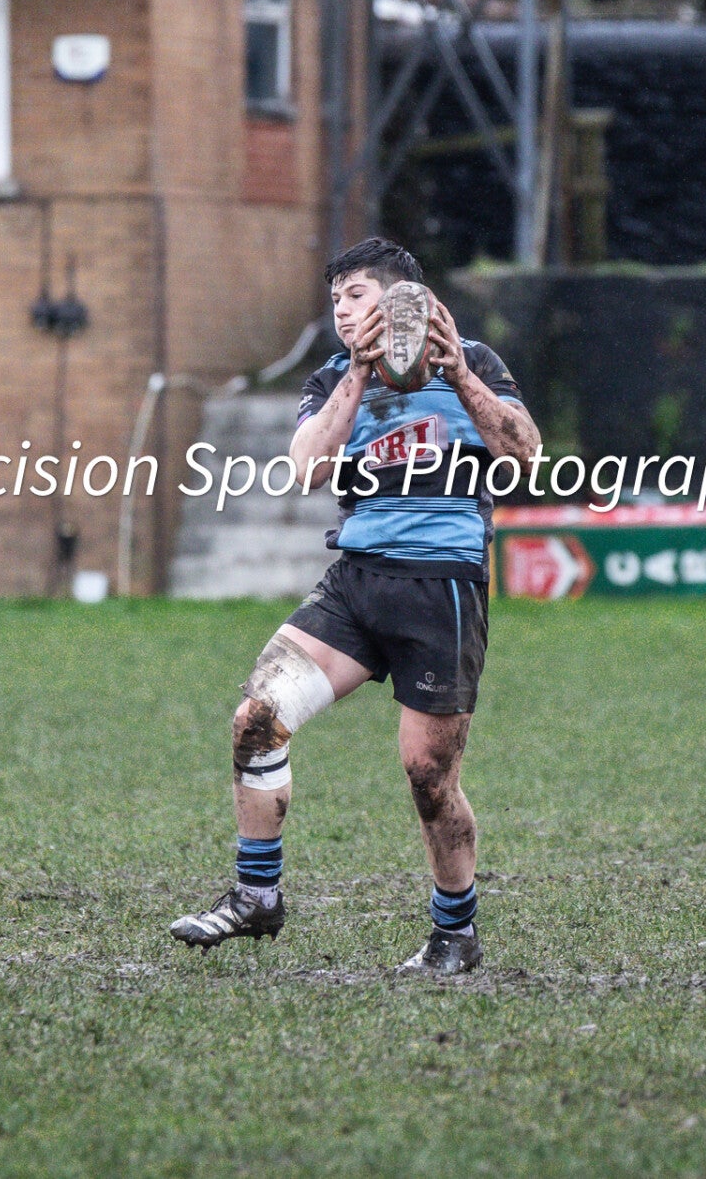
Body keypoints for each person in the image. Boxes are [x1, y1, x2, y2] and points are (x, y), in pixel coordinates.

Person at [169, 238, 541, 975]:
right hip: (356, 583)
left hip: (443, 588)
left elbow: (524, 452)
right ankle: (256, 896)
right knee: (256, 721)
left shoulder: (476, 362)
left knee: (429, 777)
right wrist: (360, 373)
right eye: (335, 298)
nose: (342, 310)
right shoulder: (333, 377)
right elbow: (305, 467)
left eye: (357, 295)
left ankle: (455, 933)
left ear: (408, 302)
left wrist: (459, 374)